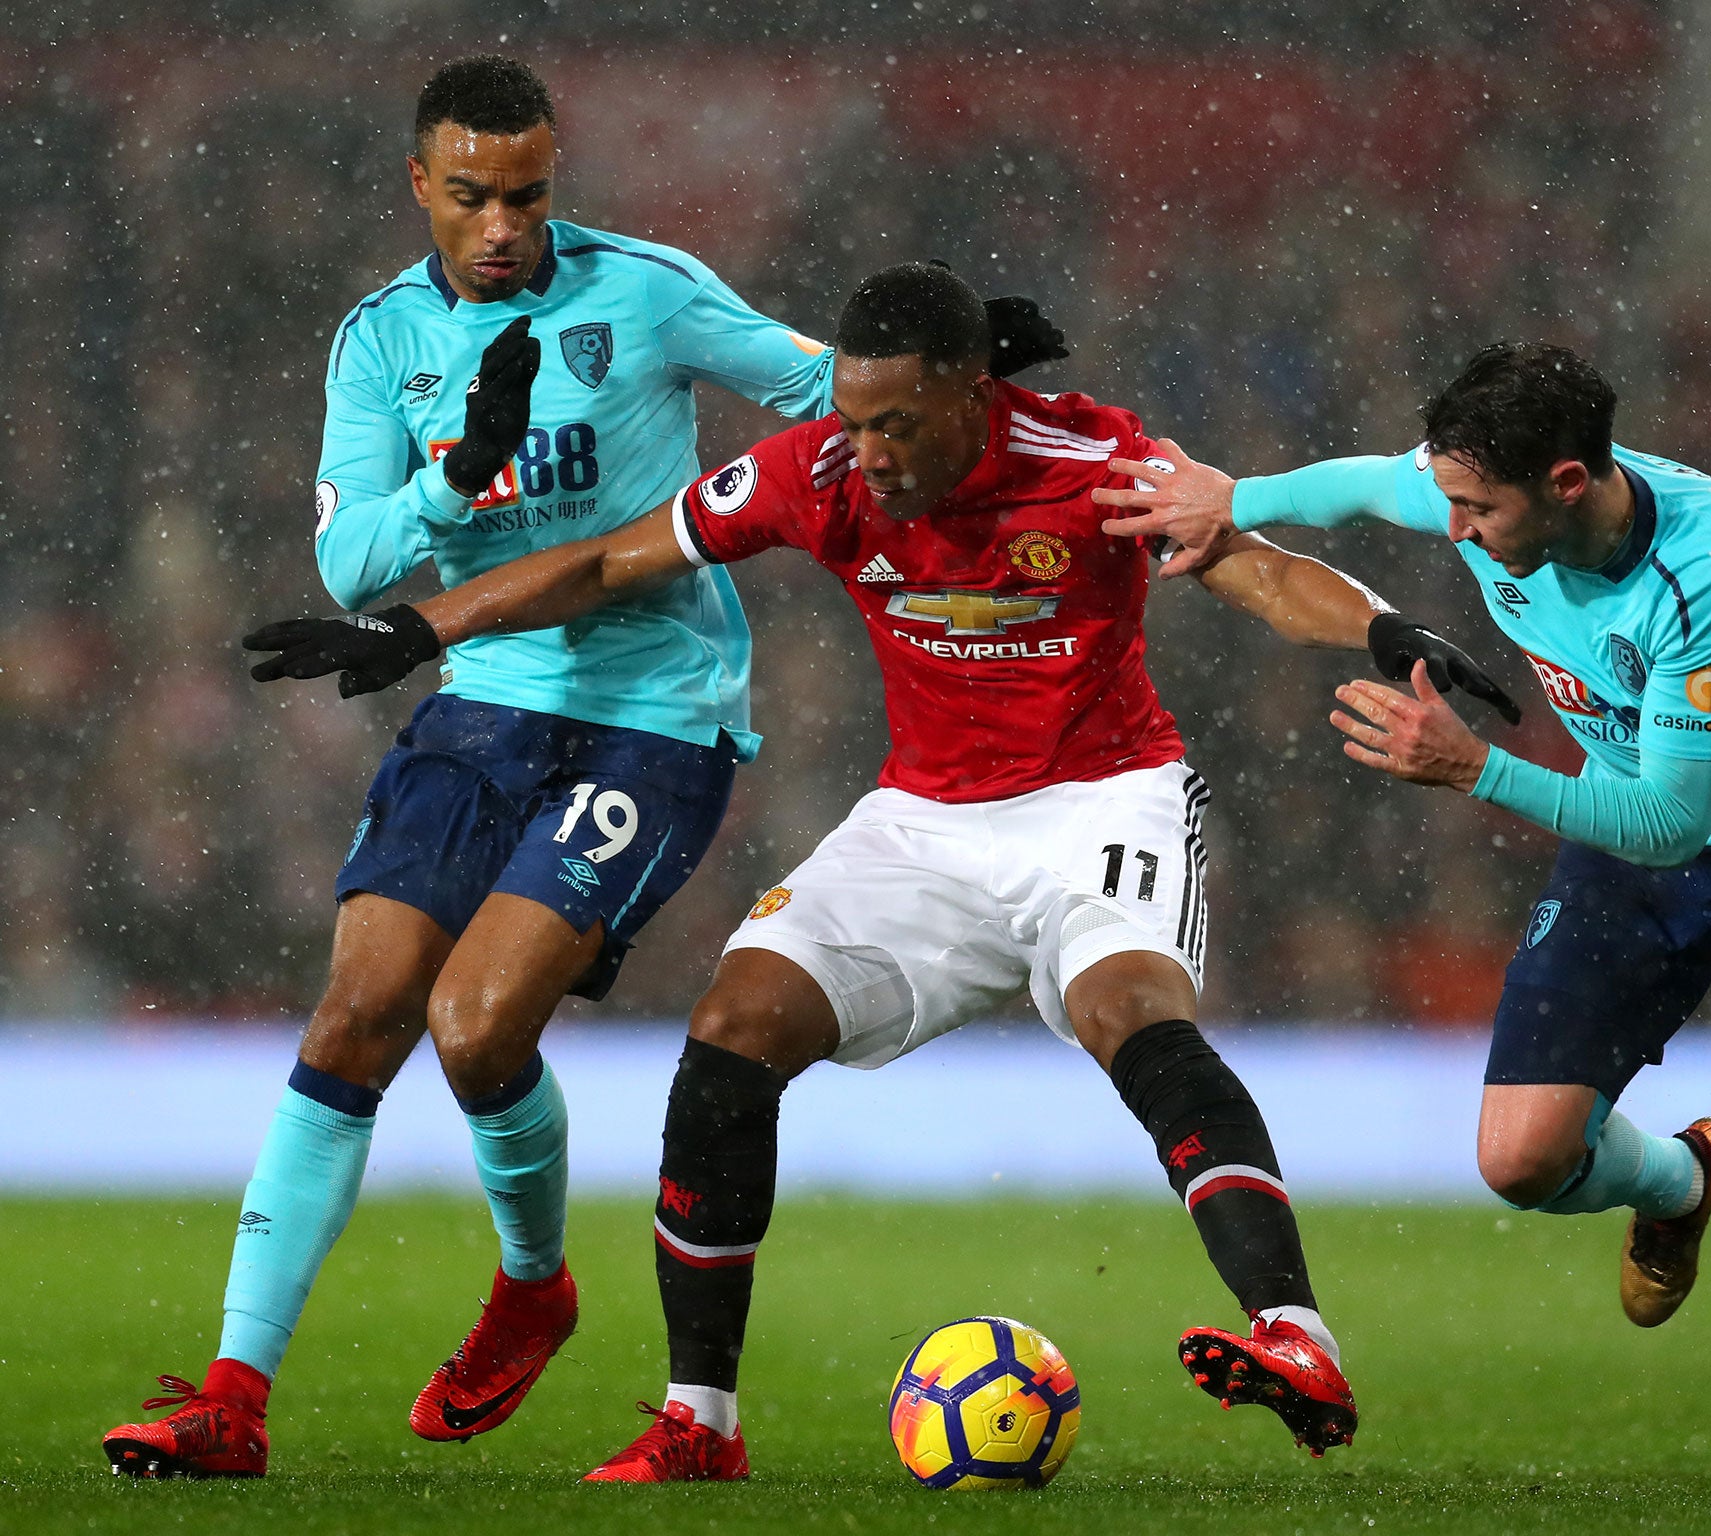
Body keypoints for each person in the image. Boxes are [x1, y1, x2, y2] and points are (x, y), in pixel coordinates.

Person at [242, 261, 1519, 1482]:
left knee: (1128, 1011)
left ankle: (1297, 1337)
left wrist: (1383, 624)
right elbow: (604, 559)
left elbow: (1250, 564)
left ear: (976, 393)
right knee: (733, 1028)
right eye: (856, 425)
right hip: (920, 822)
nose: (874, 455)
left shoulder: (1091, 462)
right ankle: (700, 1420)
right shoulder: (815, 473)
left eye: (901, 425)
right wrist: (415, 625)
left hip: (1098, 798)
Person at [101, 59, 1065, 1481]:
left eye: (531, 193)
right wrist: (454, 477)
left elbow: (818, 388)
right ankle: (233, 1398)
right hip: (482, 700)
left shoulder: (646, 291)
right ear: (420, 186)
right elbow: (352, 561)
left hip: (655, 711)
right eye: (475, 195)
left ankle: (532, 1286)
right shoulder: (380, 344)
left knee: (478, 1029)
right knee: (358, 1016)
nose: (506, 224)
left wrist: (957, 369)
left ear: (557, 179)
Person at [1091, 341, 1711, 1509]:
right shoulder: (1485, 485)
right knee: (1519, 1160)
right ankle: (1672, 1185)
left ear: (1567, 483)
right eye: (1449, 499)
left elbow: (1673, 820)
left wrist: (1475, 770)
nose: (1452, 530)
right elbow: (1363, 481)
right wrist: (1235, 501)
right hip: (1628, 826)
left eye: (1475, 508)